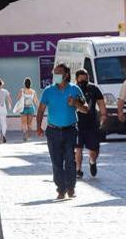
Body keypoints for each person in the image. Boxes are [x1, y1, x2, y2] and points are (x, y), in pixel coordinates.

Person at [36, 64, 88, 200]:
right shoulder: (48, 91)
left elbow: (86, 108)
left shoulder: (75, 89)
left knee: (70, 160)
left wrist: (75, 103)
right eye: (54, 73)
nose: (56, 76)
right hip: (53, 131)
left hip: (70, 130)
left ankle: (71, 188)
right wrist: (38, 126)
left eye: (59, 73)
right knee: (56, 162)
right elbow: (41, 109)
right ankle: (61, 189)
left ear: (66, 75)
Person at [74, 69, 107, 179]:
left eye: (85, 79)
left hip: (92, 123)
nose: (84, 81)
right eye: (81, 79)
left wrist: (103, 115)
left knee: (93, 150)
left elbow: (101, 102)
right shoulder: (73, 89)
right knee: (78, 148)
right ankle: (78, 170)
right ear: (76, 79)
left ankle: (92, 162)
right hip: (77, 123)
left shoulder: (94, 89)